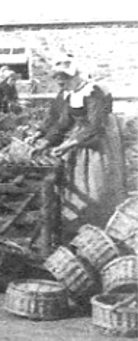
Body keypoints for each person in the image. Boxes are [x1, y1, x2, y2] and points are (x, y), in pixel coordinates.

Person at [29, 55, 127, 230]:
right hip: (79, 137)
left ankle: (101, 224)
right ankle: (78, 222)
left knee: (97, 183)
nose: (61, 85)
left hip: (99, 139)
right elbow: (63, 122)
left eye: (64, 81)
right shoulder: (70, 92)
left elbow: (95, 125)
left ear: (73, 77)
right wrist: (45, 141)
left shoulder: (93, 92)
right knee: (75, 180)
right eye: (59, 82)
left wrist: (68, 144)